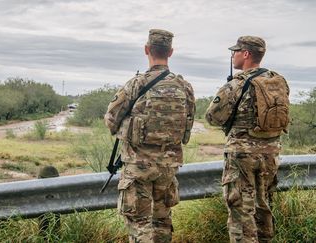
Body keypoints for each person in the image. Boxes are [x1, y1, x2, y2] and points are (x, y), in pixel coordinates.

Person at [104, 29, 195, 243]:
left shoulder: (136, 84)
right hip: (168, 167)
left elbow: (110, 119)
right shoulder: (185, 87)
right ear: (170, 52)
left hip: (138, 167)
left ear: (147, 49)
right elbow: (187, 127)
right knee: (162, 222)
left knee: (140, 224)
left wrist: (128, 126)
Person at [205, 36, 290, 242]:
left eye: (236, 51)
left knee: (241, 211)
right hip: (270, 154)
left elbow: (212, 117)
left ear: (246, 54)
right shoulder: (278, 81)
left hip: (242, 156)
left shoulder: (236, 85)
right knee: (263, 207)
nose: (233, 55)